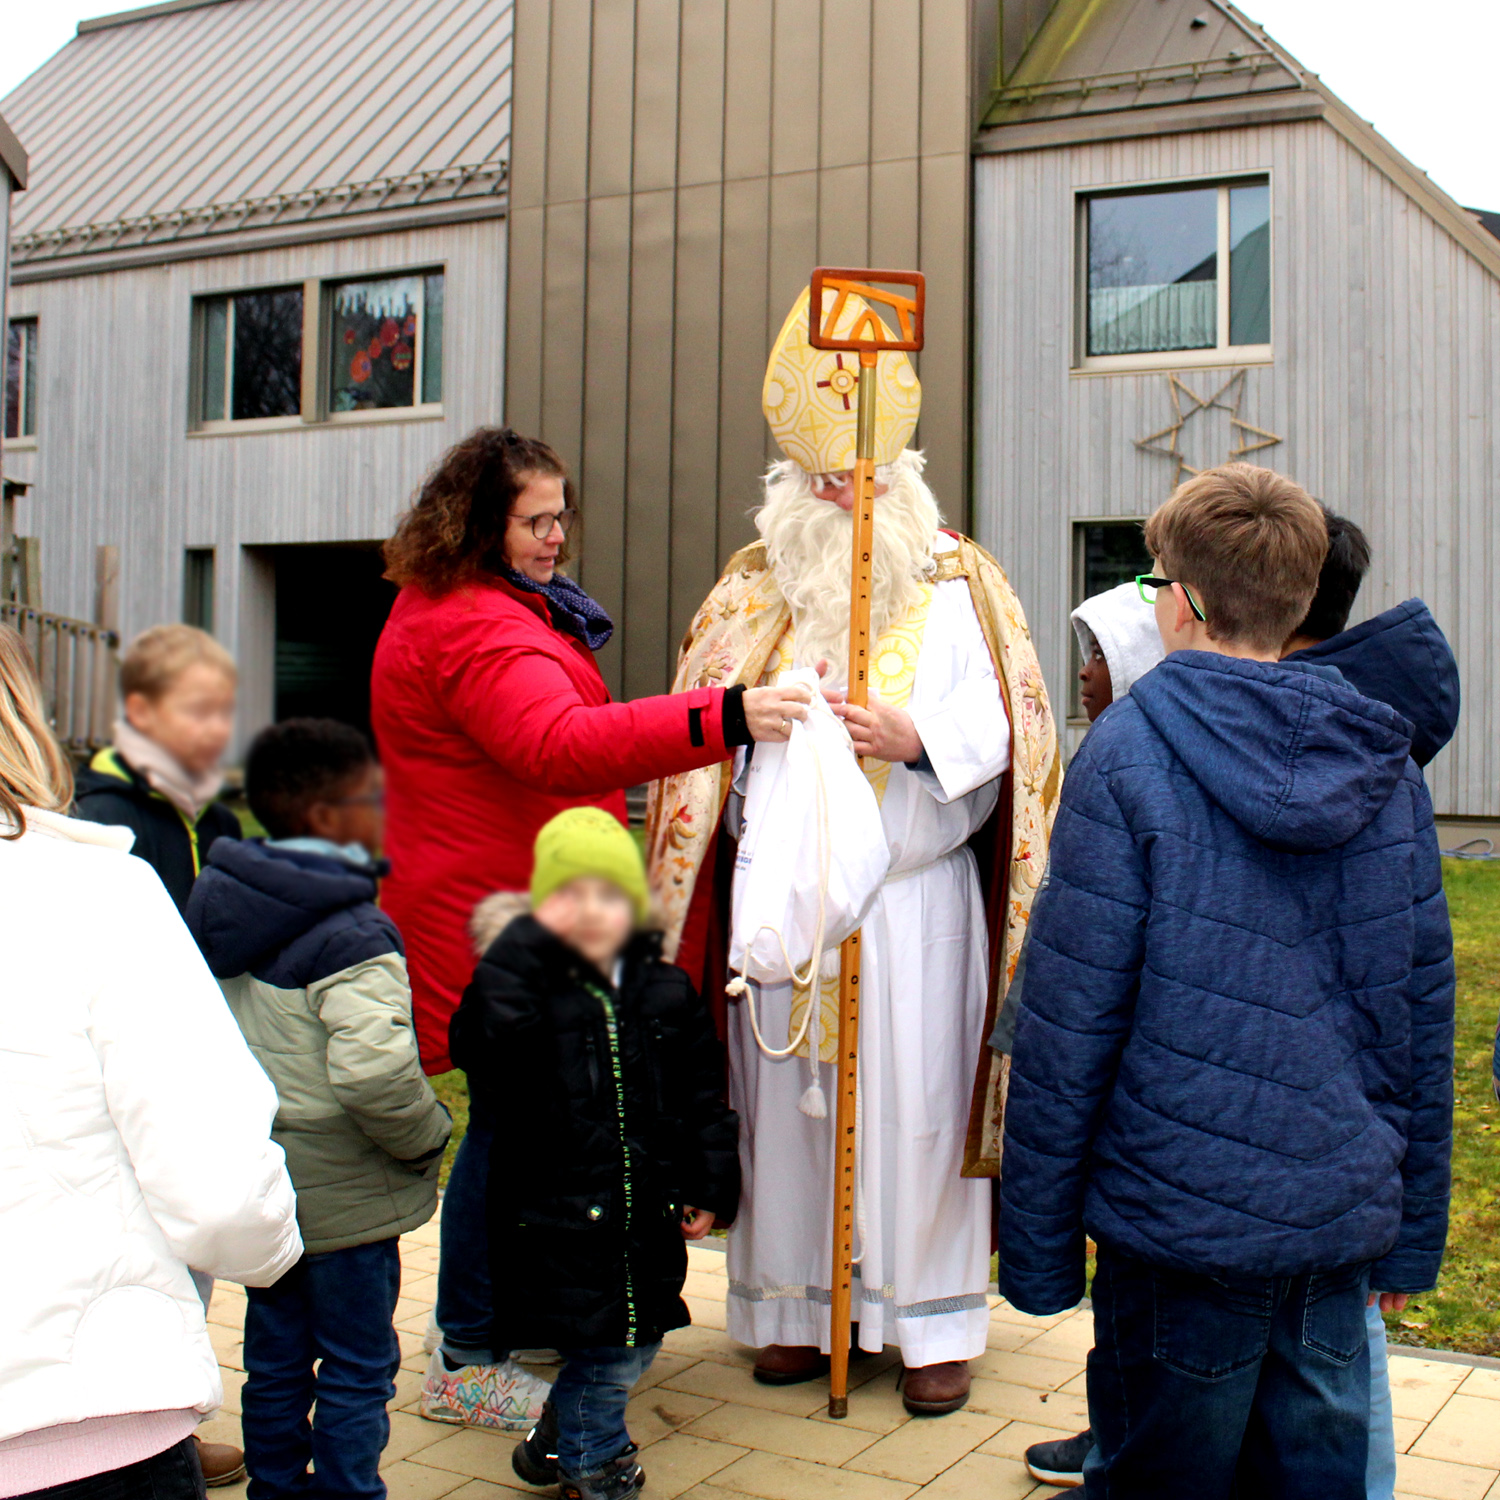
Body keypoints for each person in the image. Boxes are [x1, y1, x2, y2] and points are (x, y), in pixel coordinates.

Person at [999, 464, 1455, 1499]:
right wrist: (1410, 1233)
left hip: (1179, 1234)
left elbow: (1072, 1018)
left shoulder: (1127, 751)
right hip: (1333, 1222)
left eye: (1154, 578)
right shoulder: (1387, 760)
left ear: (1188, 602)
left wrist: (1035, 1246)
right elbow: (1420, 1024)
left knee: (1165, 1473)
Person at [646, 288, 1059, 1414]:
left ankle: (928, 1328)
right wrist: (758, 722)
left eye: (859, 477)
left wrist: (916, 738)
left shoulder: (957, 579)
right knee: (785, 1114)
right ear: (790, 483)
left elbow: (1016, 726)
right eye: (820, 481)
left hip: (913, 911)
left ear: (901, 474)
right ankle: (794, 1310)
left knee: (915, 1114)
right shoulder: (752, 586)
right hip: (788, 913)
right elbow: (696, 737)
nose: (842, 499)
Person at [372, 428, 812, 1424]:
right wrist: (729, 714)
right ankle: (466, 1352)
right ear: (480, 524)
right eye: (535, 520)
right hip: (488, 918)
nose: (556, 536)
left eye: (562, 514)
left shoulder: (481, 604)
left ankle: (506, 1322)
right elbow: (558, 743)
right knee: (507, 1130)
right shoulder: (474, 627)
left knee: (523, 1121)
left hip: (504, 902)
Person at [0, 623, 302, 1500]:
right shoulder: (92, 883)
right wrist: (272, 1248)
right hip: (83, 1421)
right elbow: (217, 1184)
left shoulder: (183, 828)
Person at [186, 719, 452, 1500]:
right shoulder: (353, 929)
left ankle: (275, 1488)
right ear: (335, 818)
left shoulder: (218, 907)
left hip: (264, 1188)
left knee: (271, 1358)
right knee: (357, 1365)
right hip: (348, 1204)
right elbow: (374, 1077)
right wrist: (426, 1136)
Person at [450, 807, 740, 1500]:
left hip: (645, 1217)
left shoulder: (666, 993)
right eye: (567, 898)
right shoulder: (520, 996)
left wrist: (708, 1184)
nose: (590, 914)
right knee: (608, 1353)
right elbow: (479, 1050)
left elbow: (703, 1101)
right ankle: (596, 1466)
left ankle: (553, 1441)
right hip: (555, 1222)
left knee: (636, 1341)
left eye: (607, 896)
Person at [73, 624, 241, 914]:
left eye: (225, 711)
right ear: (140, 711)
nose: (217, 728)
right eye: (199, 710)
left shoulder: (222, 823)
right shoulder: (98, 819)